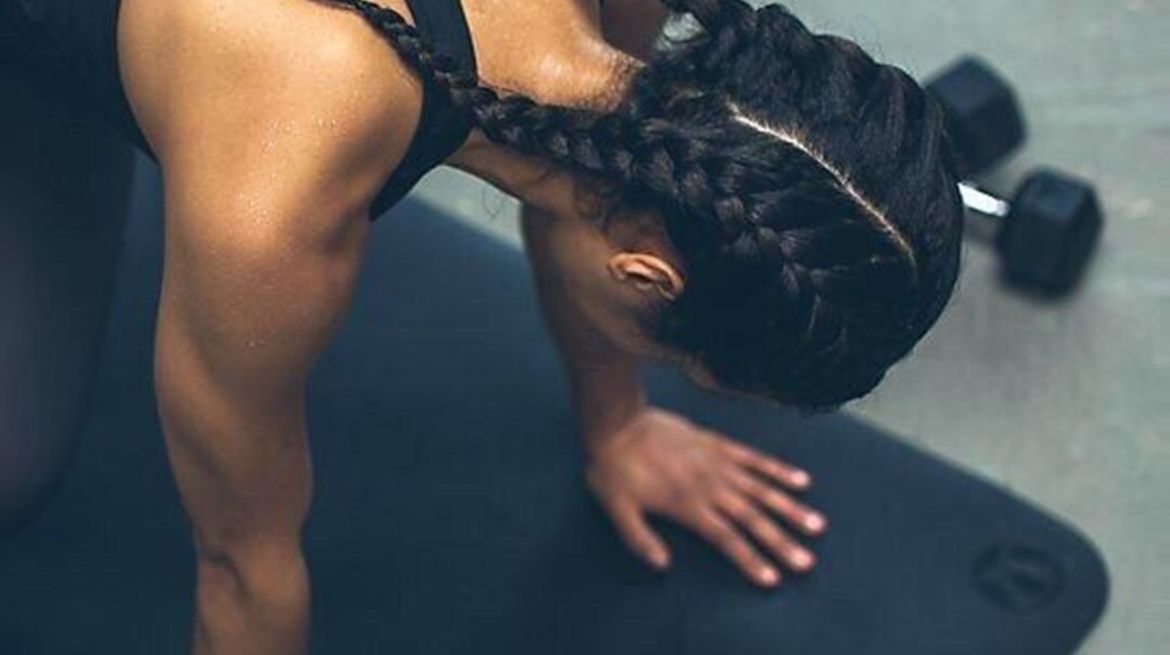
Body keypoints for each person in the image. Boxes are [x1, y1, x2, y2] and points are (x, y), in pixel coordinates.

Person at [0, 0, 963, 653]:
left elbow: (607, 188)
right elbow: (242, 567)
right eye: (678, 361)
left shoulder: (662, 84)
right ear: (645, 278)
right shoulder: (284, 178)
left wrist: (618, 429)